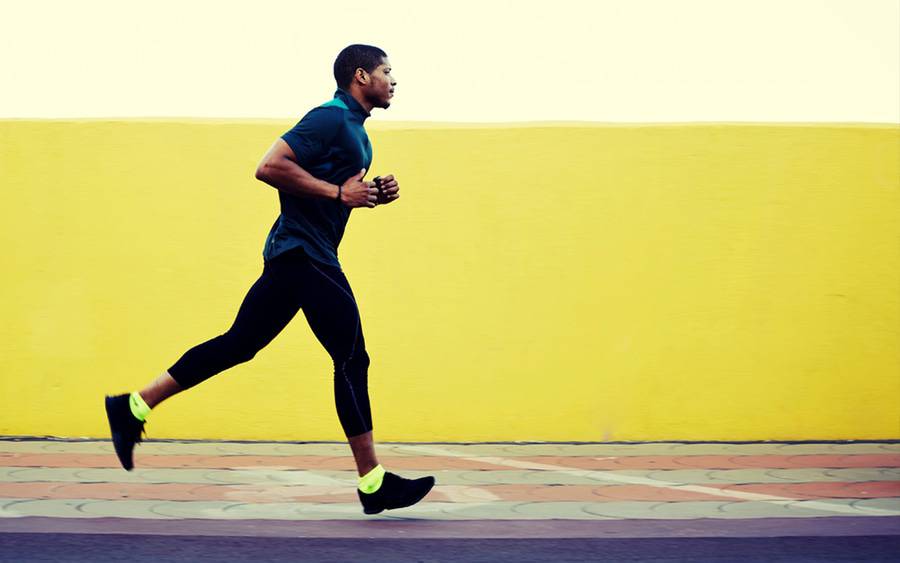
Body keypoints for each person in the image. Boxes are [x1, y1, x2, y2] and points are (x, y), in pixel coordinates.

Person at [104, 44, 435, 515]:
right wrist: (339, 191)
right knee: (352, 358)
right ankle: (373, 483)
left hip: (294, 255)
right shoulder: (328, 117)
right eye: (387, 71)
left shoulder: (356, 132)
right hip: (305, 256)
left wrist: (371, 193)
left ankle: (133, 406)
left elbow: (333, 193)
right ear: (361, 76)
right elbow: (269, 167)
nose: (394, 80)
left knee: (239, 344)